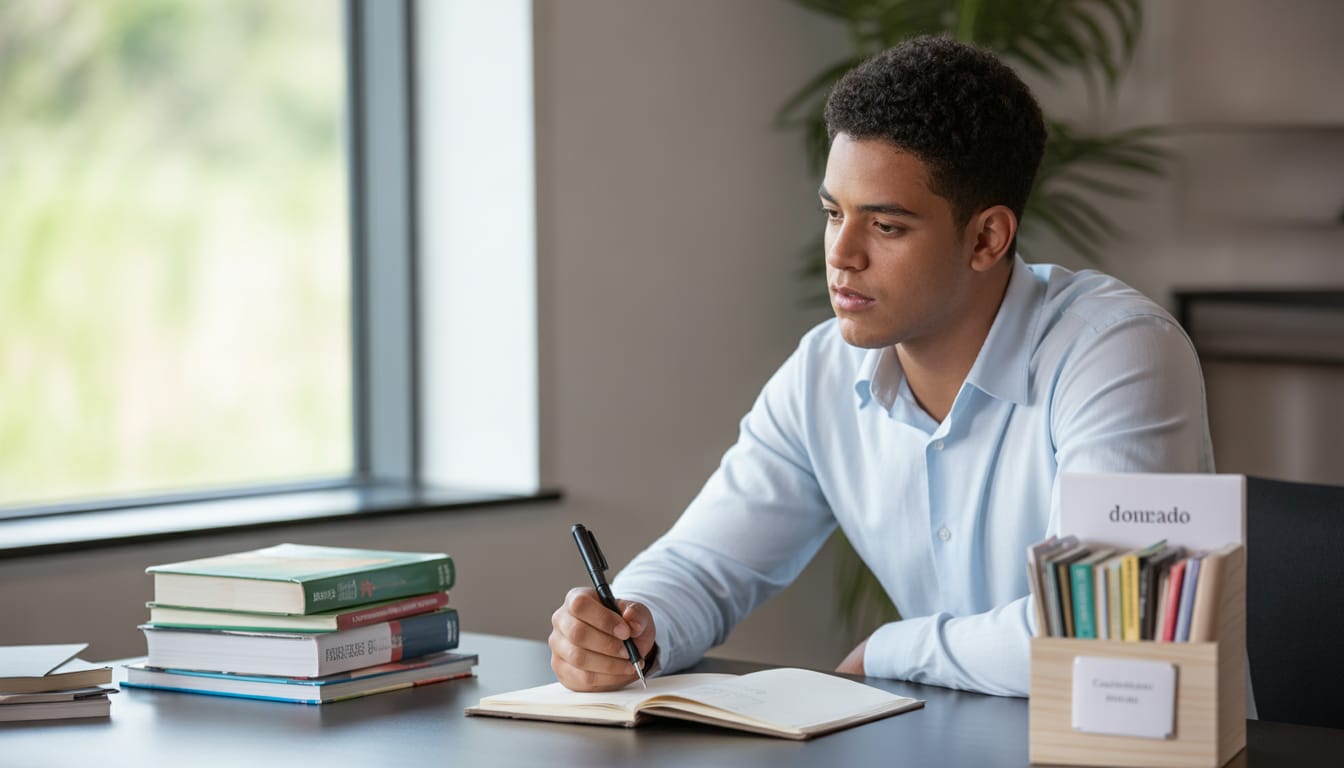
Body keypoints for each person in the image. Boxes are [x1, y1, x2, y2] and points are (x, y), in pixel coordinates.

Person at [548, 36, 1212, 697]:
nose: (842, 254)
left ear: (987, 237)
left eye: (885, 226)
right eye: (834, 213)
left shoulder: (1119, 352)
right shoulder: (825, 372)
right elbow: (705, 562)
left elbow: (1110, 629)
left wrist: (896, 648)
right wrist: (629, 625)